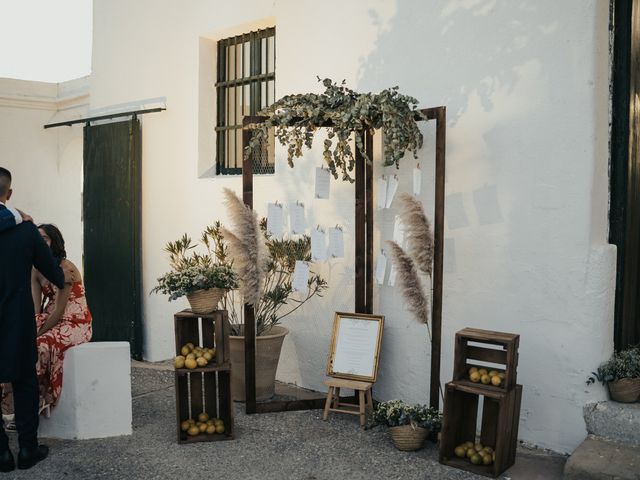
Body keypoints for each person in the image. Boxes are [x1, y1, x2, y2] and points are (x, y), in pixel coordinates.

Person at [0, 167, 65, 472]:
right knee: (24, 381)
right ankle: (27, 449)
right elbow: (53, 272)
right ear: (8, 194)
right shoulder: (26, 230)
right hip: (18, 319)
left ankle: (1, 453)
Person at [31, 224, 92, 411]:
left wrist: (37, 333)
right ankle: (23, 406)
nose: (40, 243)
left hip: (74, 321)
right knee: (17, 344)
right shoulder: (35, 269)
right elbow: (35, 309)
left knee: (39, 345)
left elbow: (59, 312)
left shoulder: (66, 269)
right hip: (51, 318)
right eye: (37, 238)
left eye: (45, 239)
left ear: (54, 243)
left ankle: (35, 405)